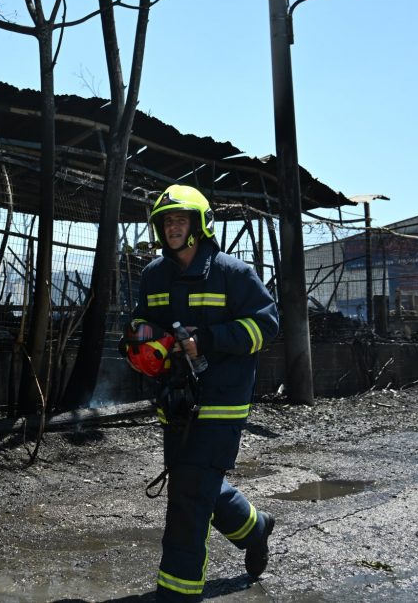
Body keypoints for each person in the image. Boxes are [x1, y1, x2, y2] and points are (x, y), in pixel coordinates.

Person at [122, 184, 280, 601]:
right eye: (166, 221)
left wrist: (207, 340)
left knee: (189, 498)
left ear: (199, 224)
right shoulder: (154, 274)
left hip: (221, 403)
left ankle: (177, 594)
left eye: (180, 220)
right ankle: (255, 527)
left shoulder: (234, 274)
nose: (173, 227)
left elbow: (266, 327)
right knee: (195, 486)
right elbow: (142, 322)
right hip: (175, 402)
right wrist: (140, 345)